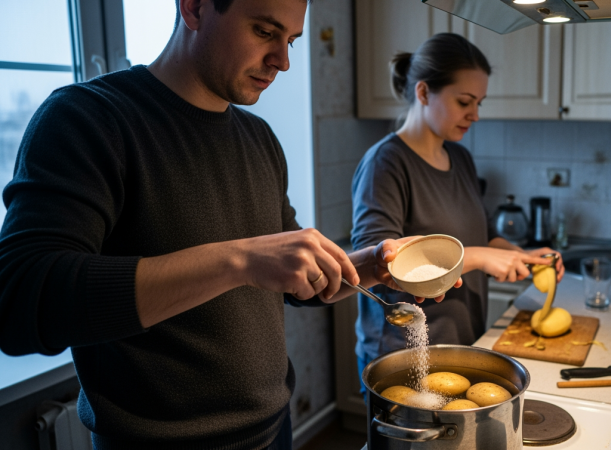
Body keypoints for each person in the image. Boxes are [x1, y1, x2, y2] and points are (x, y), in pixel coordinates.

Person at [0, 1, 457, 449]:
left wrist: (375, 265)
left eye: (290, 40)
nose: (283, 61)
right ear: (194, 8)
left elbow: (294, 283)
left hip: (272, 430)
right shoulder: (87, 118)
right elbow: (20, 299)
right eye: (264, 32)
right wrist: (239, 260)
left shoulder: (259, 139)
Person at [351, 33, 565, 386]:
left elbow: (481, 235)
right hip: (405, 360)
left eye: (479, 103)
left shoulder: (460, 157)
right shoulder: (385, 164)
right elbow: (379, 268)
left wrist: (521, 255)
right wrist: (481, 258)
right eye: (464, 101)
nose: (475, 115)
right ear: (423, 93)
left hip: (462, 344)